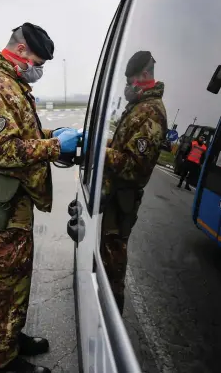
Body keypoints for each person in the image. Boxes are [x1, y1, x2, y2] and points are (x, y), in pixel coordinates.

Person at [0, 23, 81, 373]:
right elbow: (3, 152)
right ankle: (2, 361)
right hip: (6, 199)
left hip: (17, 199)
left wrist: (51, 134)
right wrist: (54, 146)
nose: (39, 70)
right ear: (20, 51)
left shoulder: (11, 83)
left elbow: (23, 135)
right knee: (7, 280)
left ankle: (12, 335)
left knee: (18, 275)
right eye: (37, 62)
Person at [100, 51, 168, 315]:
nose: (128, 87)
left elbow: (132, 165)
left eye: (131, 82)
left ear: (145, 76)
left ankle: (111, 315)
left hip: (123, 199)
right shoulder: (139, 105)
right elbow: (122, 146)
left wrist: (100, 151)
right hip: (115, 195)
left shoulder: (151, 112)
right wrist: (102, 142)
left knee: (114, 259)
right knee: (107, 253)